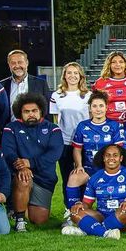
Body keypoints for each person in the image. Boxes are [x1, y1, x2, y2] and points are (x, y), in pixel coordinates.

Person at [1, 92, 63, 231]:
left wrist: (30, 163)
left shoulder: (53, 129)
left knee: (39, 220)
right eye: (26, 111)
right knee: (24, 178)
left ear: (41, 111)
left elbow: (55, 153)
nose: (31, 114)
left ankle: (20, 205)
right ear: (20, 113)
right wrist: (22, 167)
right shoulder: (11, 128)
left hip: (44, 179)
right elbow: (8, 152)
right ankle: (20, 220)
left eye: (34, 111)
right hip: (20, 174)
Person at [65, 144, 126, 239]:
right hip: (101, 215)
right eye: (107, 155)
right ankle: (104, 233)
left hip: (121, 215)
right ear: (103, 158)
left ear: (121, 158)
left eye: (115, 155)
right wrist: (80, 205)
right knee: (75, 212)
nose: (111, 158)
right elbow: (87, 203)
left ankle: (90, 229)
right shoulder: (95, 177)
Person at [66, 91, 126, 209]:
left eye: (101, 106)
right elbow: (77, 149)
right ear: (90, 108)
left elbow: (119, 151)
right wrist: (78, 166)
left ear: (106, 107)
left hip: (108, 169)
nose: (98, 109)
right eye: (94, 106)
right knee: (73, 178)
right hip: (89, 169)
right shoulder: (82, 126)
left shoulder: (115, 126)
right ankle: (72, 213)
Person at [49, 62, 91, 202]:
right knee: (66, 175)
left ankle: (84, 206)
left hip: (84, 142)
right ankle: (68, 207)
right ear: (64, 76)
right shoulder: (57, 95)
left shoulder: (88, 95)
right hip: (65, 141)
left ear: (81, 76)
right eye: (69, 73)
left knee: (84, 174)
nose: (72, 76)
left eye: (76, 73)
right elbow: (55, 119)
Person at [92, 51, 126, 127]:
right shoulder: (100, 83)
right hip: (107, 124)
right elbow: (95, 105)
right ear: (109, 65)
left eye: (121, 62)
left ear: (125, 64)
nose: (118, 65)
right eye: (114, 62)